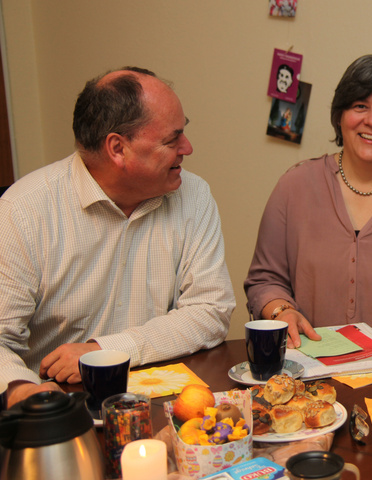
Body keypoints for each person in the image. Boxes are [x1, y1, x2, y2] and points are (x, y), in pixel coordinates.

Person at [0, 67, 235, 408]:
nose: (188, 147)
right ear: (118, 148)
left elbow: (211, 310)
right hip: (60, 410)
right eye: (172, 139)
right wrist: (22, 390)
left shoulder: (194, 195)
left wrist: (106, 350)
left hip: (164, 402)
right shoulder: (22, 212)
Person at [245, 54, 372, 365]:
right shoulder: (294, 185)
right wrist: (282, 310)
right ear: (340, 115)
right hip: (304, 371)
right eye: (359, 106)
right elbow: (265, 279)